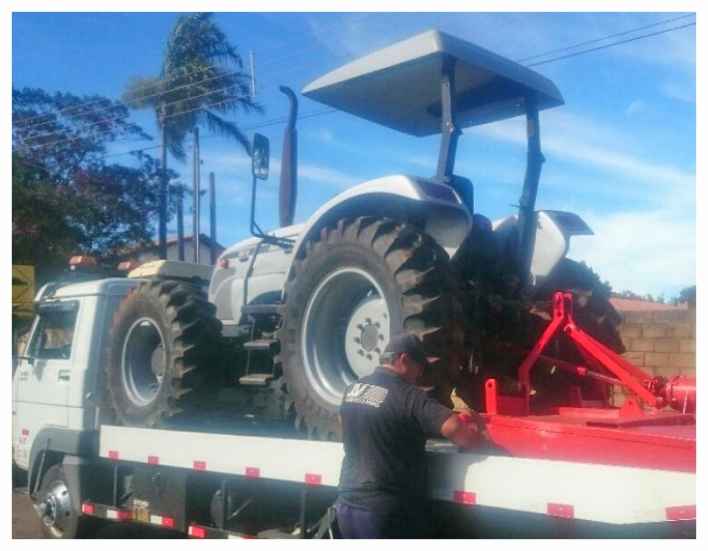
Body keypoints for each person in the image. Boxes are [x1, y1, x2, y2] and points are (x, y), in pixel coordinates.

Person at [335, 333, 486, 539]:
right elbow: (455, 429)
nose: (421, 373)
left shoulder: (352, 390)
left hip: (347, 504)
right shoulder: (408, 395)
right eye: (420, 366)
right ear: (404, 359)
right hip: (384, 513)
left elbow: (343, 426)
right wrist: (477, 434)